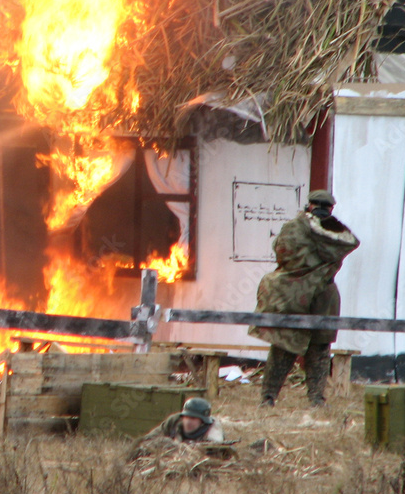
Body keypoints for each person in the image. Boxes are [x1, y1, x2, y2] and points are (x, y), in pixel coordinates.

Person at [250, 189, 360, 407]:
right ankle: (312, 399)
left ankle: (271, 398)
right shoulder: (336, 234)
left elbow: (281, 252)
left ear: (308, 205)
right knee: (309, 349)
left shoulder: (293, 228)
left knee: (293, 347)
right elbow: (351, 243)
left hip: (296, 294)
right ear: (330, 208)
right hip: (321, 295)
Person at [127, 398, 225, 460]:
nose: (188, 422)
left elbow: (217, 457)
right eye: (186, 417)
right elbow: (149, 437)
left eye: (193, 418)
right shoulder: (174, 421)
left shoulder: (213, 434)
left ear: (203, 422)